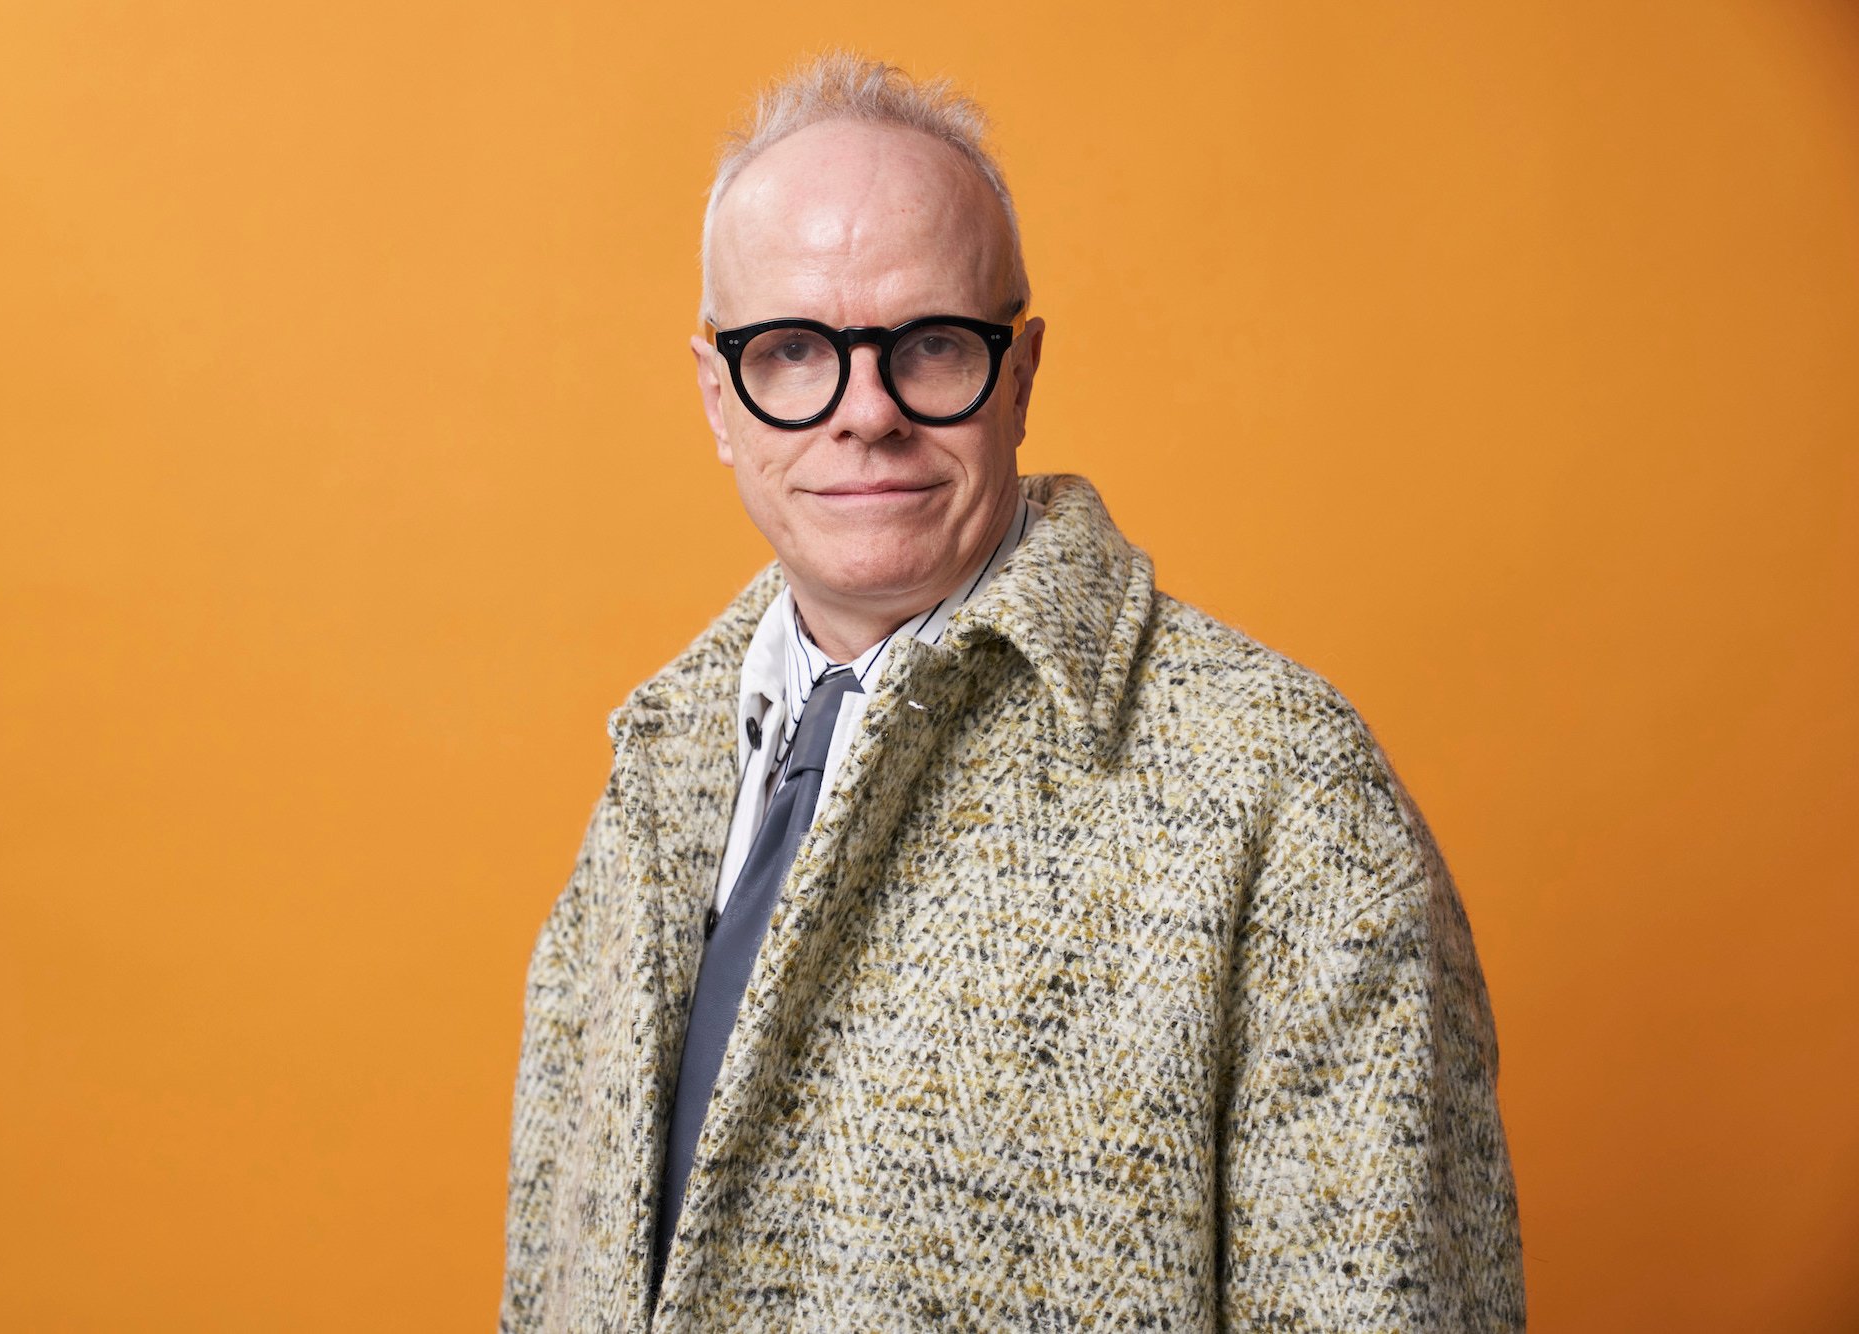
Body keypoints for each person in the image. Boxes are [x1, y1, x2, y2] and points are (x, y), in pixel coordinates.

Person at [502, 53, 1524, 1332]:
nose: (863, 411)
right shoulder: (655, 769)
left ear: (1022, 370)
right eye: (790, 350)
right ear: (718, 396)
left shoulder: (1282, 787)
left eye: (930, 345)